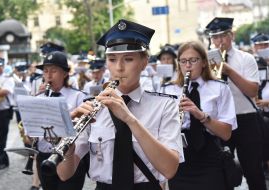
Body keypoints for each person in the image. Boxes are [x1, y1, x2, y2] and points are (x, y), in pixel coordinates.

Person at [56, 19, 184, 190]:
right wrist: (68, 147)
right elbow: (64, 174)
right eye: (112, 59)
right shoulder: (92, 107)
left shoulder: (164, 105)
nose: (119, 67)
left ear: (144, 62)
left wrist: (130, 119)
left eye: (128, 59)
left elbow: (169, 169)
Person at [162, 41, 236, 190]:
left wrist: (201, 116)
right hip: (179, 156)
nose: (188, 65)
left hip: (209, 156)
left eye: (193, 60)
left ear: (203, 62)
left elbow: (226, 134)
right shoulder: (167, 90)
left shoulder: (220, 88)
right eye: (183, 61)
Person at [206, 17, 267, 190]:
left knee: (254, 170)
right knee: (222, 171)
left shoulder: (246, 58)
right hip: (221, 121)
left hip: (246, 118)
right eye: (215, 37)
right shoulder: (206, 60)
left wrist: (228, 70)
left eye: (224, 36)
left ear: (232, 36)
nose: (220, 41)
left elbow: (252, 91)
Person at [34, 51, 88, 190]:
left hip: (69, 156)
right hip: (44, 155)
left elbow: (82, 129)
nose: (48, 75)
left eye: (54, 71)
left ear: (65, 73)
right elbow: (34, 134)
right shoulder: (39, 99)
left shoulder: (78, 97)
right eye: (45, 71)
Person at [251, 33, 269, 178]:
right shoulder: (252, 64)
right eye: (259, 46)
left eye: (266, 45)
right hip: (257, 111)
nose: (263, 48)